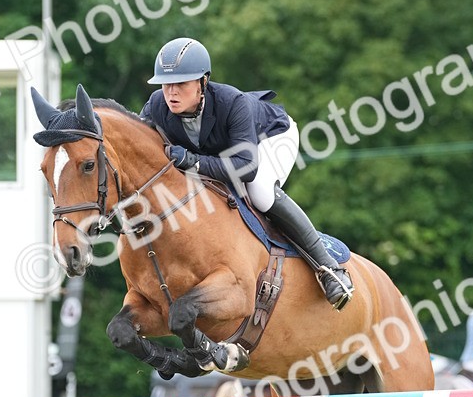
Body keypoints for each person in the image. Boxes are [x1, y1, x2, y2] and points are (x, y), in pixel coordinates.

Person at [140, 38, 353, 309]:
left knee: (261, 193)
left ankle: (330, 269)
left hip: (270, 138)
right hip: (221, 154)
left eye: (181, 84)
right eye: (166, 84)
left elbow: (246, 167)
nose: (171, 92)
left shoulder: (233, 102)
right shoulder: (157, 105)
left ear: (203, 82)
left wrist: (193, 162)